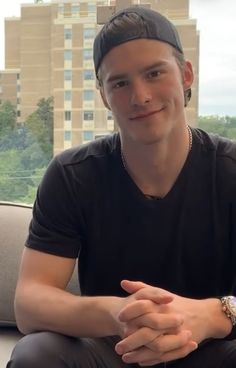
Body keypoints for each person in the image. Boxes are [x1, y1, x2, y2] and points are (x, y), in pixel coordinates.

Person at [7, 6, 236, 368]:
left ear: (187, 74)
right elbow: (30, 302)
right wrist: (120, 313)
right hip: (115, 349)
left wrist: (212, 314)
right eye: (120, 82)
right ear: (103, 95)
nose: (140, 95)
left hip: (212, 350)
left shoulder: (229, 171)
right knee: (37, 355)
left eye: (154, 72)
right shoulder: (73, 175)